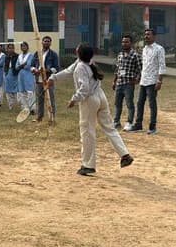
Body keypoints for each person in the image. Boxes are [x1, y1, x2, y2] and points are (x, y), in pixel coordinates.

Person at [46, 42, 133, 176]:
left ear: (79, 53)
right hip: (101, 96)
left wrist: (74, 100)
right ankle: (124, 154)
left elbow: (84, 88)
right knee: (109, 128)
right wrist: (53, 78)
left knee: (87, 132)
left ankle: (88, 165)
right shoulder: (86, 62)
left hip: (90, 100)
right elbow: (68, 70)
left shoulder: (80, 67)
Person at [128, 28, 166, 134]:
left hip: (153, 81)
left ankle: (152, 126)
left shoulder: (159, 49)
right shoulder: (144, 49)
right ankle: (138, 125)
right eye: (145, 35)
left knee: (152, 104)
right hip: (144, 80)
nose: (146, 36)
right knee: (140, 103)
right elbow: (144, 66)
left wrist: (159, 81)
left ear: (154, 36)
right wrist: (139, 78)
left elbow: (162, 66)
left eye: (148, 34)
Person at [112, 34, 142, 130]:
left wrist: (137, 80)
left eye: (126, 42)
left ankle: (129, 122)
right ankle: (116, 122)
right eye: (123, 42)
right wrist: (114, 81)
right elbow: (117, 69)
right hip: (119, 83)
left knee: (129, 104)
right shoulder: (120, 55)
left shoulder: (135, 55)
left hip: (128, 84)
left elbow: (141, 69)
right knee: (117, 104)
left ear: (131, 43)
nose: (124, 44)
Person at [30, 35, 60, 122]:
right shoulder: (37, 53)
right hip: (39, 80)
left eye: (48, 41)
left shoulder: (53, 54)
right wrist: (34, 70)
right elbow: (31, 65)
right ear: (42, 42)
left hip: (48, 80)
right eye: (45, 41)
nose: (46, 42)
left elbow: (56, 68)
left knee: (50, 99)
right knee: (40, 99)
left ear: (50, 43)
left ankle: (52, 117)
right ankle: (39, 117)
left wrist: (47, 70)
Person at [15, 41, 35, 113]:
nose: (23, 47)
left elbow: (28, 65)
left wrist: (21, 66)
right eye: (22, 46)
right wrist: (23, 65)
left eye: (25, 46)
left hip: (28, 75)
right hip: (21, 76)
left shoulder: (31, 56)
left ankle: (32, 108)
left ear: (27, 47)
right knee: (22, 92)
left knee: (30, 92)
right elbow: (16, 67)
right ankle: (25, 108)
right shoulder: (19, 56)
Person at [3, 43, 19, 110]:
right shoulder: (6, 57)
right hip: (8, 74)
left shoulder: (17, 56)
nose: (11, 49)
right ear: (7, 49)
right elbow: (5, 65)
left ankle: (17, 104)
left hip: (15, 74)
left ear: (14, 49)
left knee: (16, 90)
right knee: (8, 90)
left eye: (12, 48)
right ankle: (10, 105)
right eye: (9, 48)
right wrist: (5, 72)